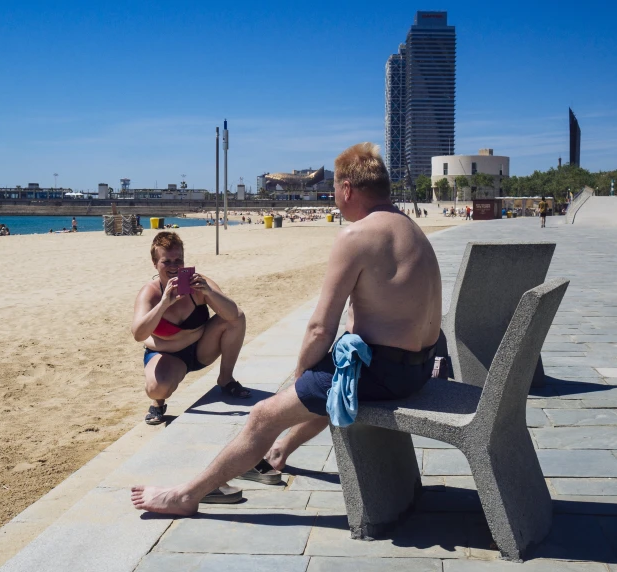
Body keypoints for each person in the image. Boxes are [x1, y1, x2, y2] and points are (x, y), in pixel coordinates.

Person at [131, 142, 442, 515]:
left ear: (346, 190)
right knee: (324, 387)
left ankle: (186, 495)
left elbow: (318, 330)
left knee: (266, 412)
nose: (334, 202)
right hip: (419, 369)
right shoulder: (414, 230)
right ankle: (277, 453)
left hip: (384, 372)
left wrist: (297, 383)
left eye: (333, 193)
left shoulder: (357, 236)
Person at [131, 231, 250, 426]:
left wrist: (208, 292)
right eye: (166, 261)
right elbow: (138, 334)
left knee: (234, 318)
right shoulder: (150, 293)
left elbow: (235, 316)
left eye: (178, 260)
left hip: (202, 349)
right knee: (156, 389)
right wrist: (163, 305)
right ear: (155, 263)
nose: (173, 266)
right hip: (168, 357)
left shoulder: (198, 283)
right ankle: (158, 402)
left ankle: (226, 379)